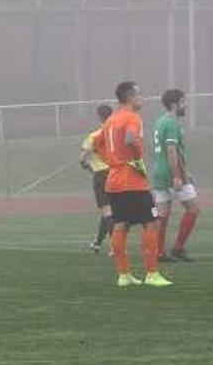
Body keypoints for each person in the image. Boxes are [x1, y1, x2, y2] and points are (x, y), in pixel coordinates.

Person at [93, 82, 171, 287]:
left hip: (114, 182)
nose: (142, 98)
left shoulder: (110, 120)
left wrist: (111, 160)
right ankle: (152, 274)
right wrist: (136, 158)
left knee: (121, 224)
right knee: (151, 223)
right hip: (132, 181)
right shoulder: (132, 117)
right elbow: (130, 139)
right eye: (139, 95)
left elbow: (96, 143)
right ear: (130, 97)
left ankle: (123, 275)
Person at [152, 89, 200, 262]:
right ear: (175, 104)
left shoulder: (160, 121)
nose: (185, 105)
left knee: (162, 214)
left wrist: (185, 171)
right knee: (193, 208)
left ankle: (158, 252)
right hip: (171, 173)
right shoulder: (172, 123)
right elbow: (171, 150)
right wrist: (178, 176)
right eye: (183, 102)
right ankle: (178, 248)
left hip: (159, 173)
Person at [79, 104, 113, 253]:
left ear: (99, 116)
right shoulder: (116, 134)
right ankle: (98, 243)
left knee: (107, 211)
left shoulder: (95, 136)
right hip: (116, 174)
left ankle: (115, 247)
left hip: (101, 174)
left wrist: (88, 166)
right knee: (110, 212)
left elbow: (82, 159)